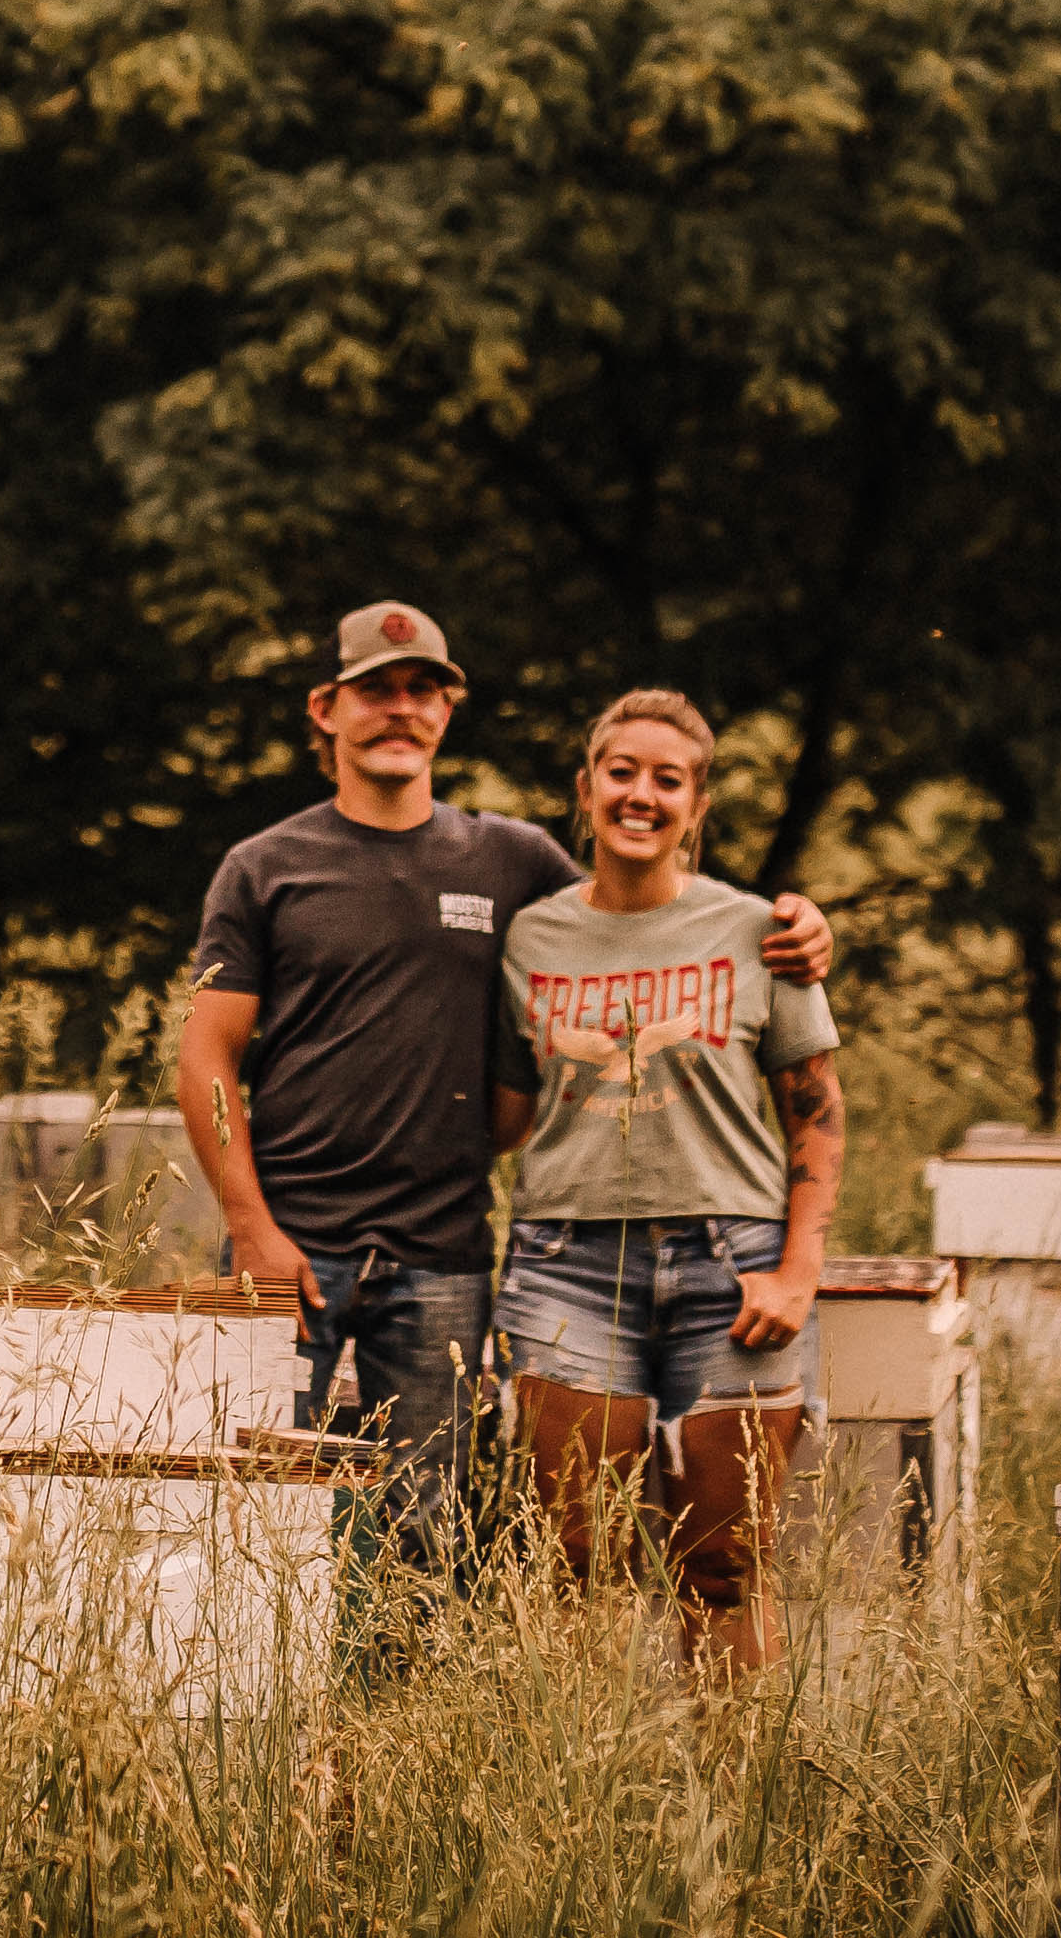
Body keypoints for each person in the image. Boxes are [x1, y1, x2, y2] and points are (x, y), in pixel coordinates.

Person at [166, 605, 826, 1558]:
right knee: (251, 1512)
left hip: (442, 1253)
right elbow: (206, 1054)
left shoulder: (508, 858)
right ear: (325, 707)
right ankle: (258, 1707)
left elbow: (638, 910)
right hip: (289, 1243)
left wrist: (796, 925)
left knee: (423, 1528)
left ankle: (398, 1703)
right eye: (377, 688)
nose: (402, 708)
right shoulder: (264, 866)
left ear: (446, 711)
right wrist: (250, 1227)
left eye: (424, 689)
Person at [491, 686, 844, 1671]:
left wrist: (797, 1271)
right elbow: (503, 1112)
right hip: (568, 1258)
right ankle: (585, 1807)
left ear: (696, 805)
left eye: (668, 779)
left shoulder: (759, 931)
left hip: (734, 1266)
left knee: (724, 1563)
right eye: (622, 771)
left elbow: (817, 1110)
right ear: (587, 788)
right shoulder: (532, 939)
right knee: (574, 1555)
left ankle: (728, 1814)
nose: (640, 794)